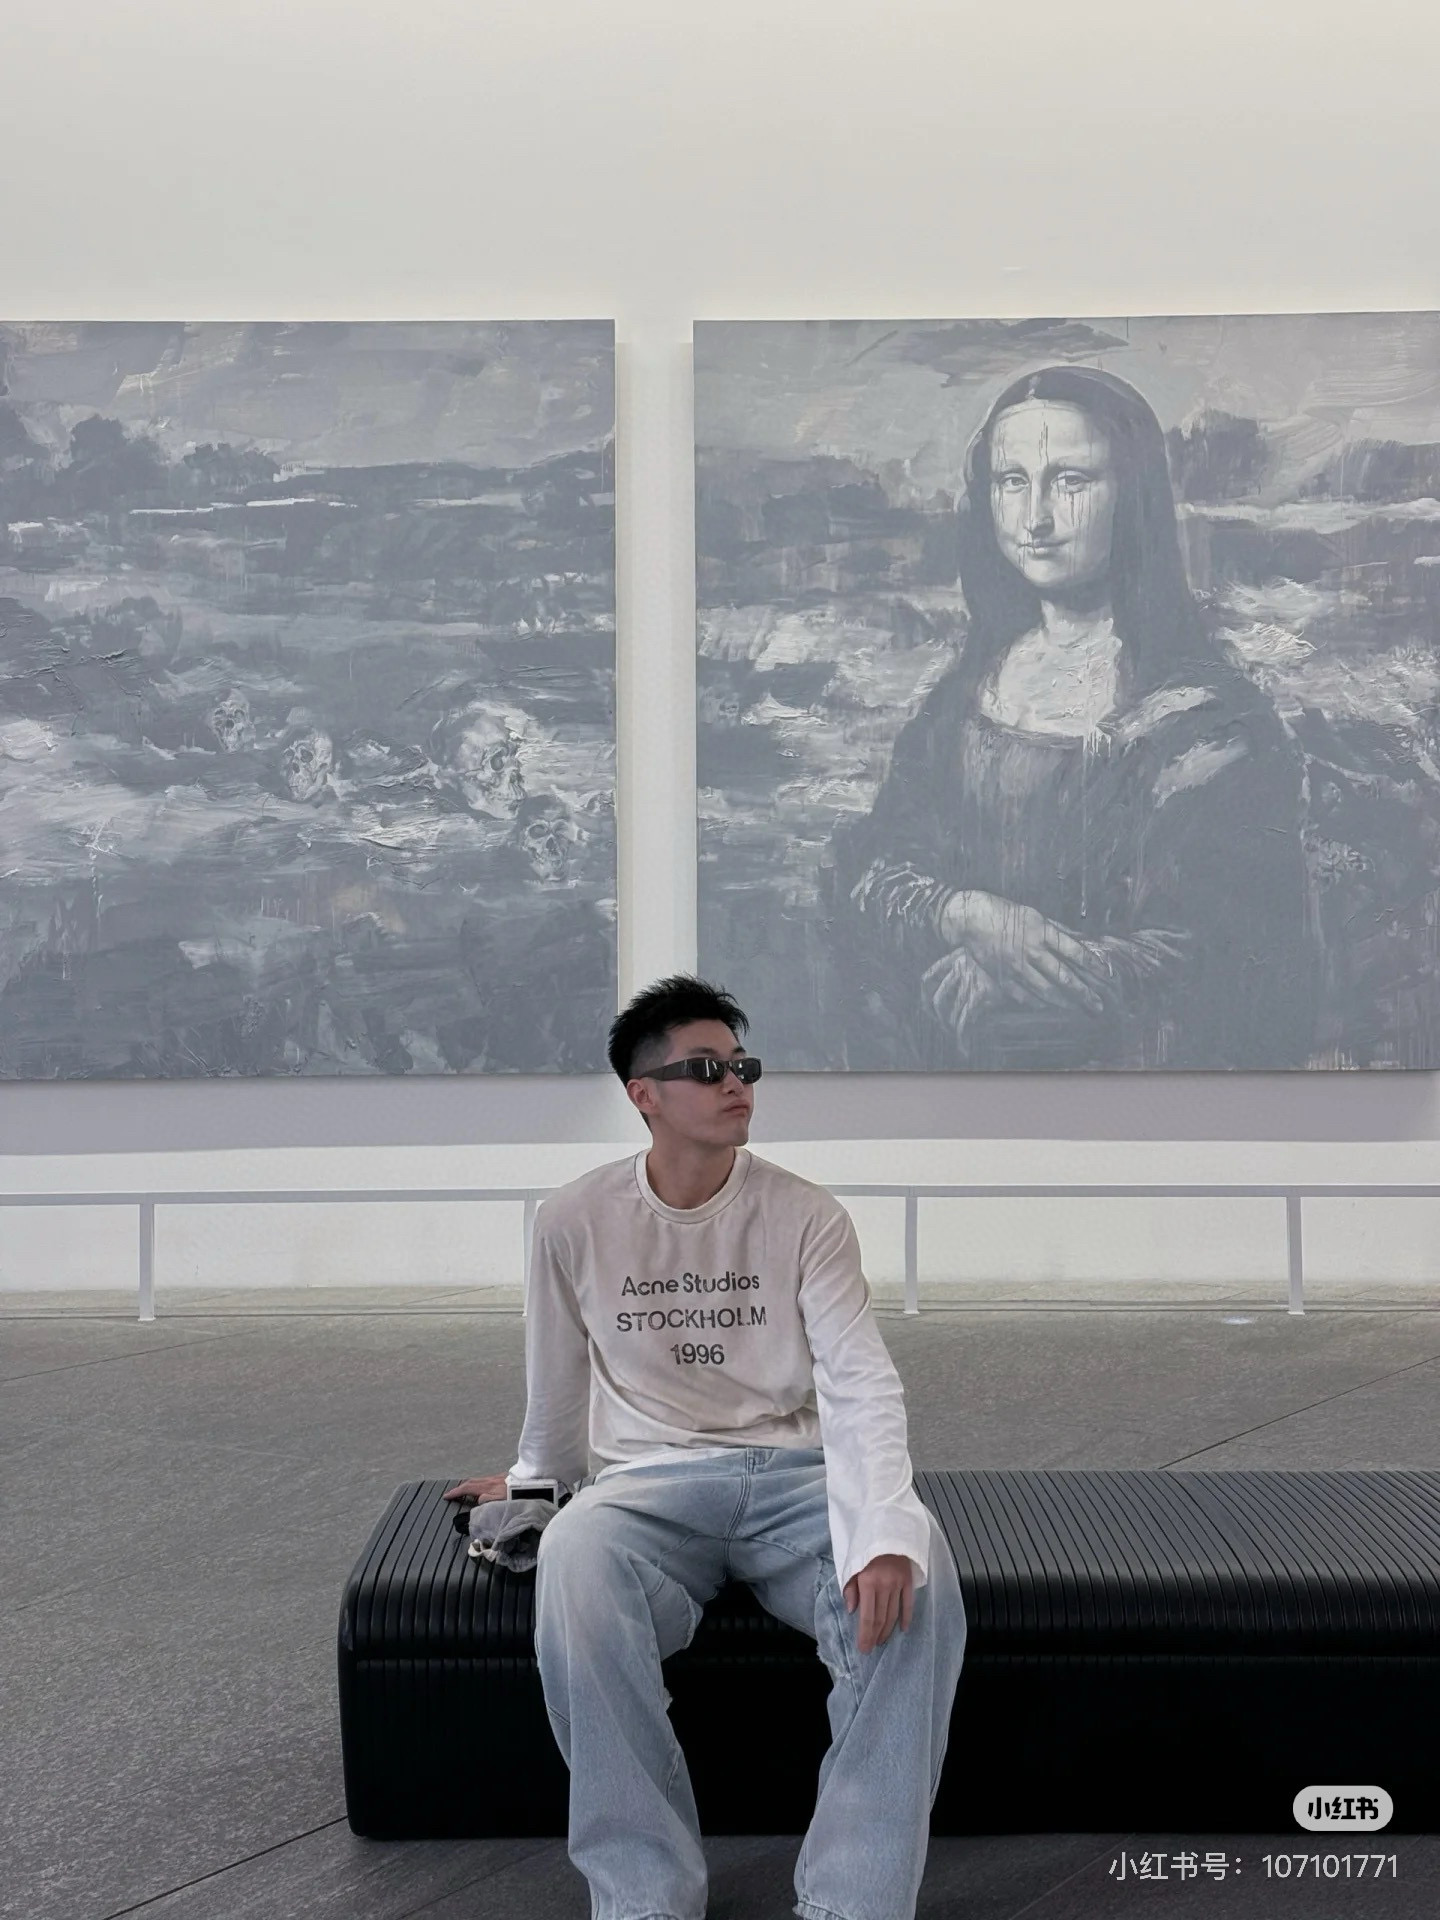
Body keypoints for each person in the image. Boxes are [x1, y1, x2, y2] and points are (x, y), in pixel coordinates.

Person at [444, 973, 965, 1920]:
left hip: (796, 1480)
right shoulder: (572, 1219)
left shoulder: (807, 1216)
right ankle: (644, 1896)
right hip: (648, 1488)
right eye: (706, 1069)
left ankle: (854, 1901)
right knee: (573, 1563)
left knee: (920, 1586)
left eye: (741, 1066)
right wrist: (535, 1482)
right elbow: (555, 1379)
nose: (736, 1085)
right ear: (642, 1094)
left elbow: (860, 1381)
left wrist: (886, 1531)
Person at [830, 364, 1318, 1070]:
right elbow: (876, 871)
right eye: (1012, 481)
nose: (1035, 518)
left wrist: (1012, 973)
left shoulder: (1210, 724)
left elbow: (1224, 959)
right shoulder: (965, 697)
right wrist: (969, 916)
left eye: (1071, 481)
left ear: (1133, 496)